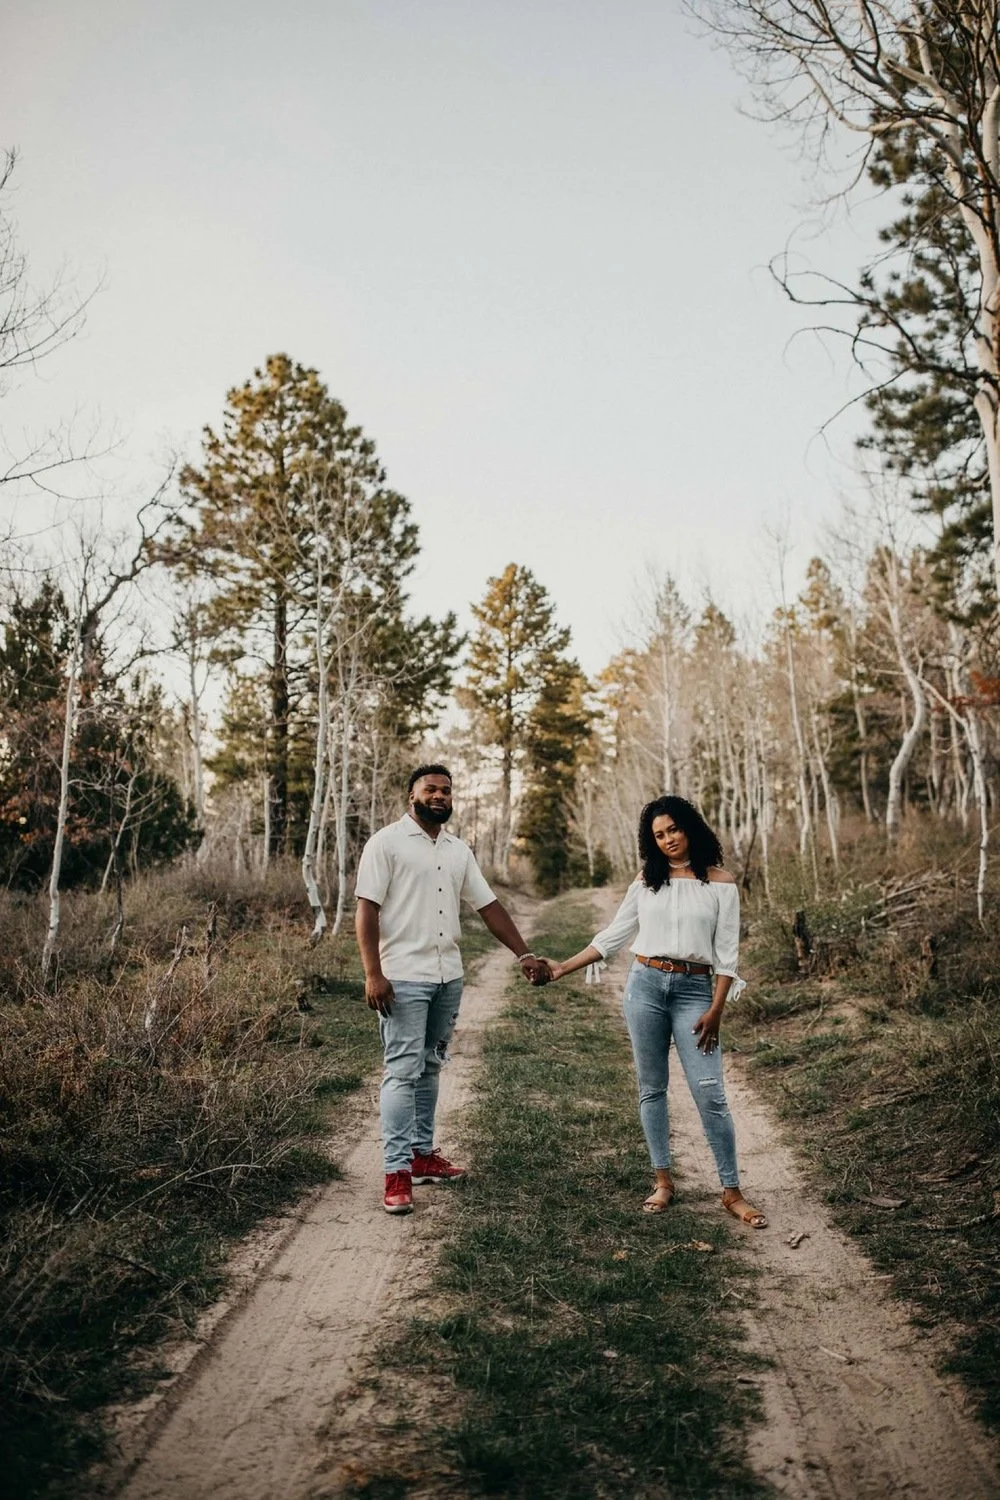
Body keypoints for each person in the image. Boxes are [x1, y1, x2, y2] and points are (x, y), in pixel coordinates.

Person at [541, 794, 766, 1227]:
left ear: (690, 828)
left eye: (673, 830)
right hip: (645, 985)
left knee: (710, 1092)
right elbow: (613, 936)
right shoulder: (647, 880)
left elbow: (727, 956)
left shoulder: (721, 882)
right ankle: (663, 1181)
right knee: (652, 1088)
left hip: (696, 992)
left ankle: (731, 1190)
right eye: (658, 835)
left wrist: (717, 1009)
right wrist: (562, 968)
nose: (667, 840)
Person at [355, 764, 549, 1215]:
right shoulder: (385, 843)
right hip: (403, 976)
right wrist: (373, 973)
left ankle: (422, 1155)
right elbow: (367, 911)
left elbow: (489, 906)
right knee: (402, 1071)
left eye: (446, 790)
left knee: (431, 1065)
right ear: (412, 796)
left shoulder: (458, 849)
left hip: (449, 976)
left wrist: (524, 954)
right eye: (430, 789)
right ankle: (397, 1172)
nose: (439, 796)